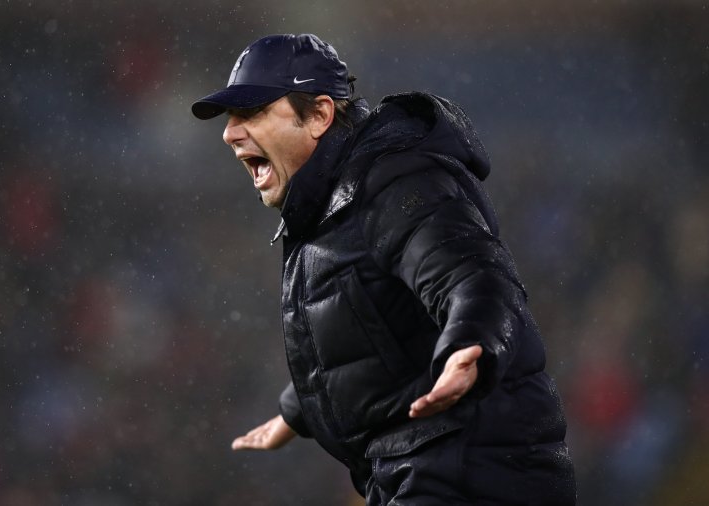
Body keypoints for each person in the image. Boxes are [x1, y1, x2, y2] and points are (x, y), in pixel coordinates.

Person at [191, 33, 576, 505]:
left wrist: (470, 346)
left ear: (319, 116)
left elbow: (476, 278)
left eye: (251, 113)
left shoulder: (397, 182)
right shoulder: (333, 204)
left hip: (474, 471)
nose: (230, 132)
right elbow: (365, 331)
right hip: (431, 469)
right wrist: (298, 410)